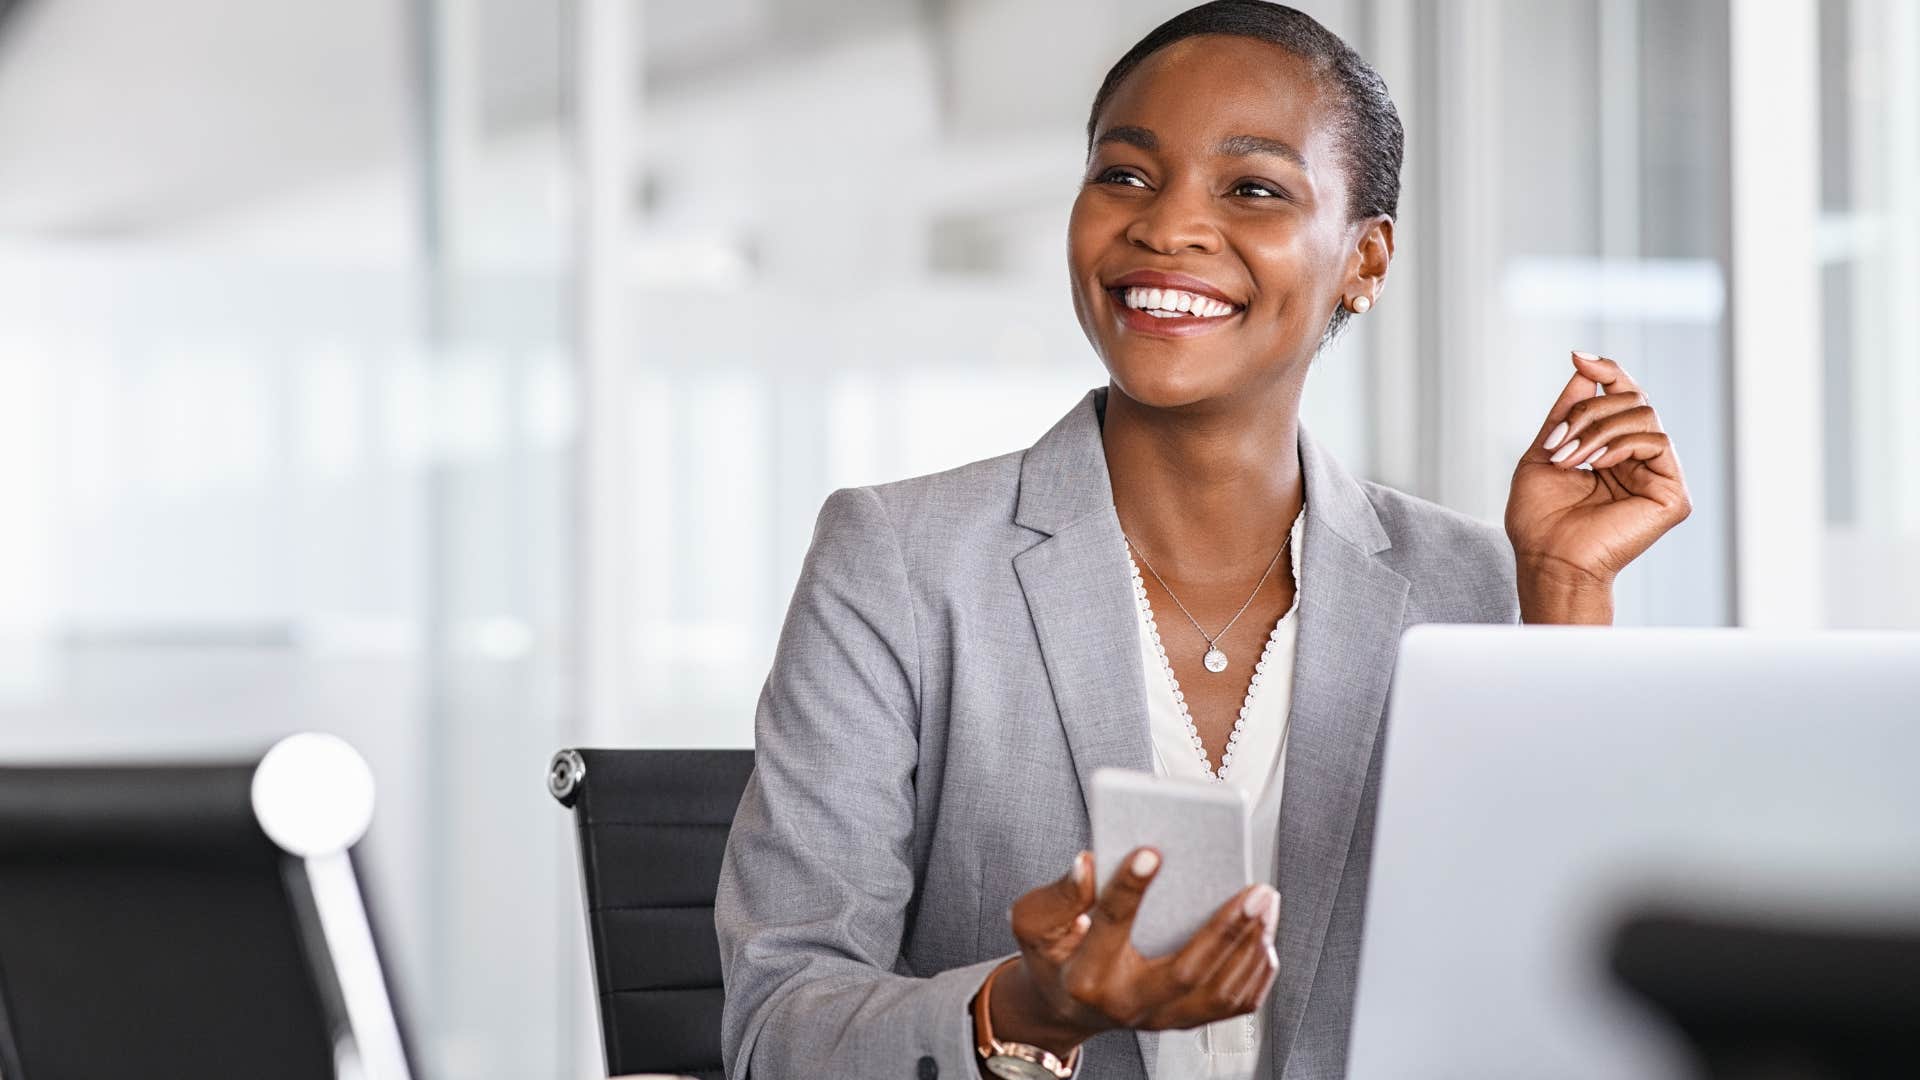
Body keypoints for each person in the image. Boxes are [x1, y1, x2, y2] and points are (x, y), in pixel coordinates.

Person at [714, 2, 1693, 1077]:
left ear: (1365, 260)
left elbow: (1570, 1000)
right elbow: (780, 1025)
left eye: (1254, 189)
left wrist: (1562, 588)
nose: (1167, 227)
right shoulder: (900, 562)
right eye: (1125, 175)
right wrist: (1026, 1010)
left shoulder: (1466, 584)